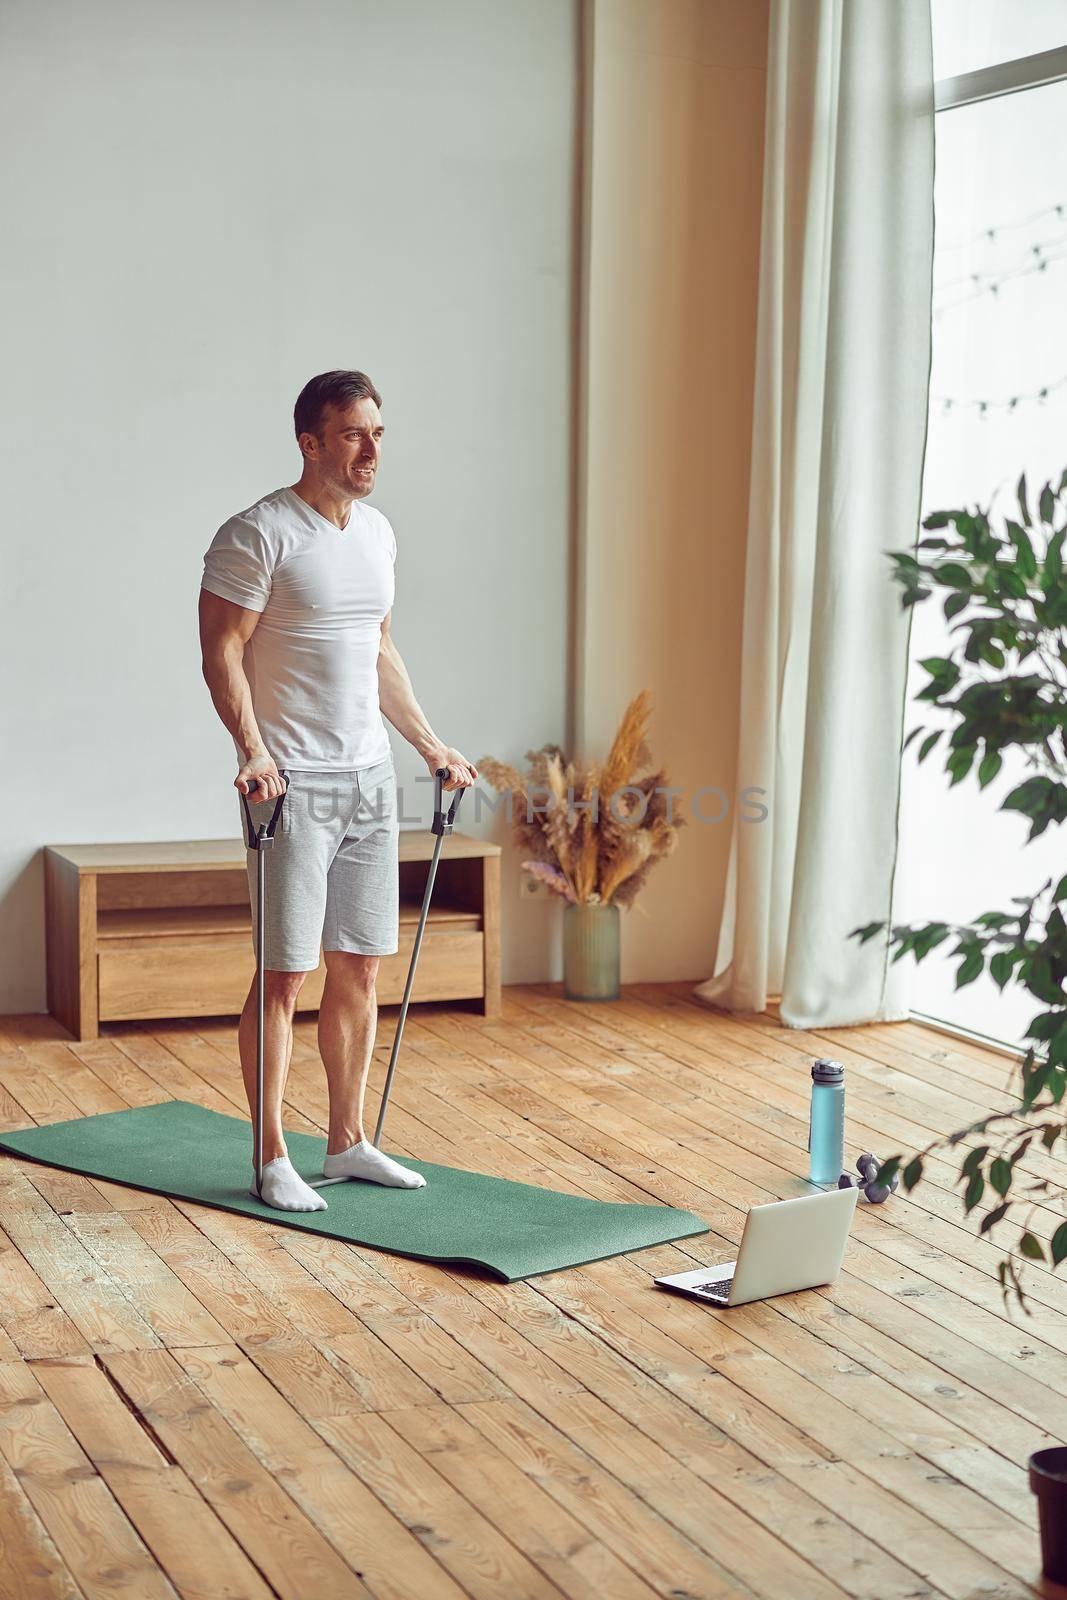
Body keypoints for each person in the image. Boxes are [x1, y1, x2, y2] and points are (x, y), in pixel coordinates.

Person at [198, 370, 477, 1212]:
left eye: (378, 434)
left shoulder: (378, 534)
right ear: (310, 442)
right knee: (285, 973)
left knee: (359, 967)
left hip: (366, 781)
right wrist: (251, 749)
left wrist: (428, 744)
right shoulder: (257, 534)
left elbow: (378, 649)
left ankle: (348, 1141)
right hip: (290, 785)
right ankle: (270, 1153)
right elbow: (221, 650)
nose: (370, 450)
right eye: (353, 434)